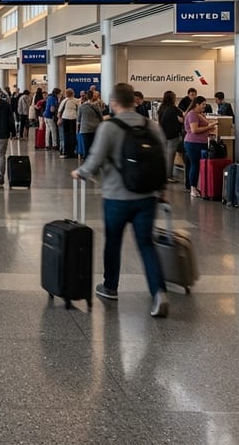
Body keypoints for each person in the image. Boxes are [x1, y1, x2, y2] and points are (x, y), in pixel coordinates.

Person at [71, 82, 170, 318]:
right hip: (147, 196)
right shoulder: (151, 125)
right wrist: (162, 188)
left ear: (114, 102)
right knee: (146, 244)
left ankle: (110, 287)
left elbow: (94, 161)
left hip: (117, 196)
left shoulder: (109, 127)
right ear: (134, 101)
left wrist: (80, 173)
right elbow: (161, 159)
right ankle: (159, 292)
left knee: (113, 242)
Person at [182, 96, 218, 198]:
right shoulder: (192, 114)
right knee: (195, 165)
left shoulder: (199, 114)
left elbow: (201, 128)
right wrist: (209, 127)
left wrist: (209, 129)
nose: (204, 106)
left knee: (195, 165)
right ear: (196, 104)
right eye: (202, 104)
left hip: (199, 143)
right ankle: (193, 188)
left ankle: (194, 186)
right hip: (193, 143)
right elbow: (194, 130)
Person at [157, 91, 184, 183]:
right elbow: (182, 118)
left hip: (163, 134)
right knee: (170, 157)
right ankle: (168, 176)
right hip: (173, 136)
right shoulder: (174, 109)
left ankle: (163, 175)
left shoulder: (161, 108)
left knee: (165, 156)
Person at [76, 90, 105, 158]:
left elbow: (79, 119)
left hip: (85, 130)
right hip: (96, 129)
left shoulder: (81, 107)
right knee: (95, 148)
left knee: (86, 148)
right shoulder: (96, 106)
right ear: (92, 97)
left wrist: (77, 130)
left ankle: (87, 165)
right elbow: (101, 117)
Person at [58, 89, 80, 158]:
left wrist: (59, 119)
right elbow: (80, 110)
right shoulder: (77, 101)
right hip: (74, 118)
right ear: (73, 93)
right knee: (73, 135)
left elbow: (59, 111)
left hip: (65, 118)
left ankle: (66, 153)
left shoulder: (64, 101)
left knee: (66, 136)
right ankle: (73, 151)